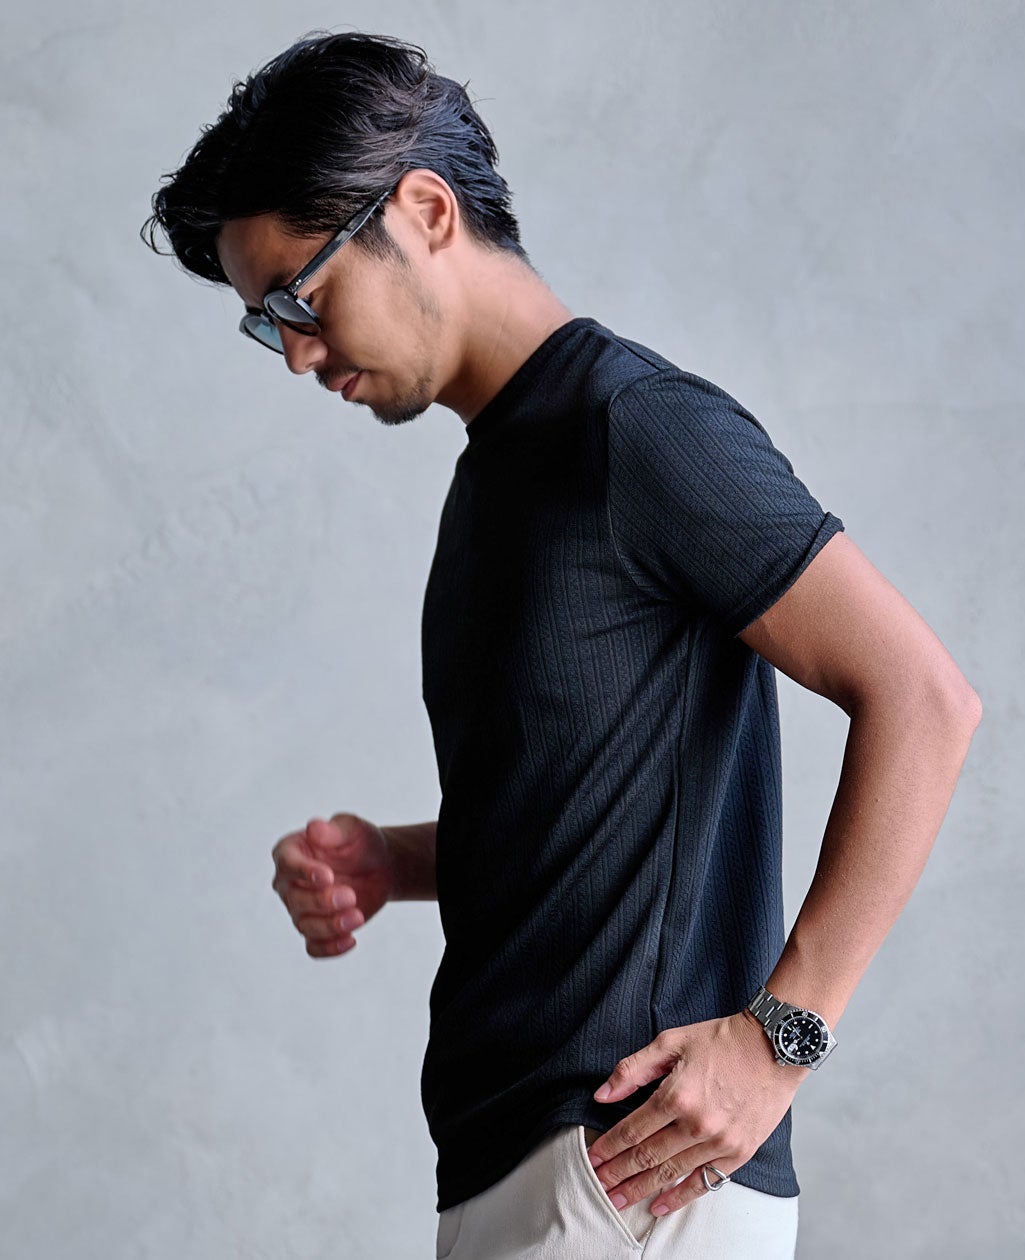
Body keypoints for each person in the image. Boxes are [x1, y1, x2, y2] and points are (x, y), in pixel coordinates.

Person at [141, 29, 982, 1260]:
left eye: (300, 299)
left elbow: (924, 698)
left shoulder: (635, 427)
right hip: (525, 1174)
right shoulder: (499, 478)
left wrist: (780, 1037)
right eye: (268, 326)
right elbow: (585, 810)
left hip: (629, 1176)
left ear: (426, 211)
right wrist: (391, 860)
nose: (301, 355)